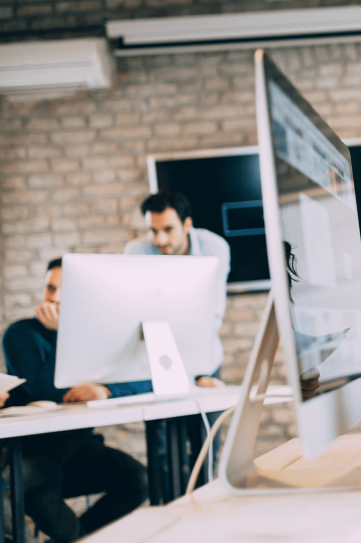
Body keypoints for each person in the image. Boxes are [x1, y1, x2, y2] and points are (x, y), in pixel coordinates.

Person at [2, 258, 148, 543]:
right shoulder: (20, 334)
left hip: (77, 449)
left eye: (63, 290)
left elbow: (143, 378)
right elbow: (47, 391)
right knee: (22, 491)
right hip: (34, 453)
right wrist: (62, 334)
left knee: (138, 480)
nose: (54, 297)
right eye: (50, 288)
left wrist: (106, 390)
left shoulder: (95, 336)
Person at [125, 189, 229, 387]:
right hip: (154, 358)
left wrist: (196, 374)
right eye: (153, 231)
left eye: (168, 229)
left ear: (187, 224)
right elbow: (136, 312)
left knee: (211, 405)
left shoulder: (214, 247)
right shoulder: (137, 252)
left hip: (202, 357)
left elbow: (213, 313)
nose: (160, 240)